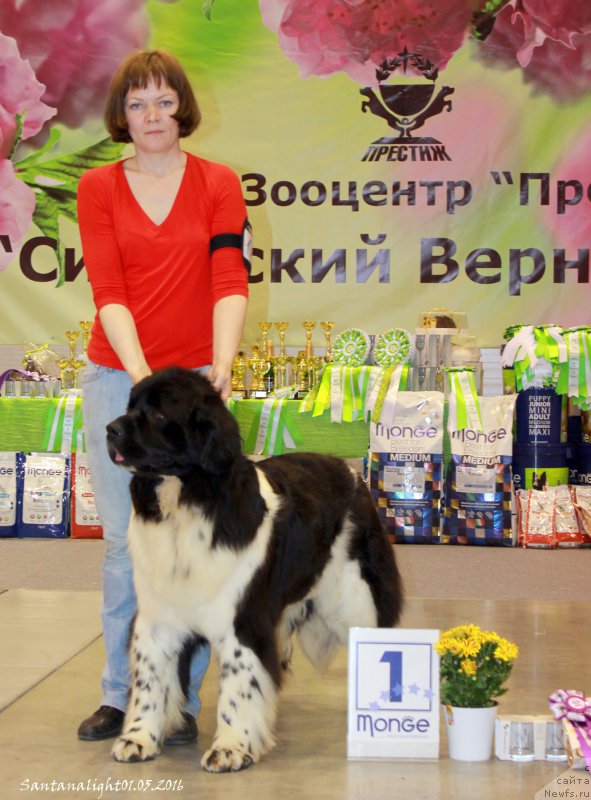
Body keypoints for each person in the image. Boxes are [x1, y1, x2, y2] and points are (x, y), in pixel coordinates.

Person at [76, 50, 250, 743]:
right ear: (122, 115)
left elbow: (228, 275)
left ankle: (178, 698)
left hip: (199, 381)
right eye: (138, 104)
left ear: (183, 107)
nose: (152, 116)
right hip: (120, 378)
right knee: (127, 545)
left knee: (202, 542)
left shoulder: (218, 182)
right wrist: (147, 384)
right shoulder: (97, 187)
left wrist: (221, 364)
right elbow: (108, 291)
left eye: (164, 101)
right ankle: (121, 696)